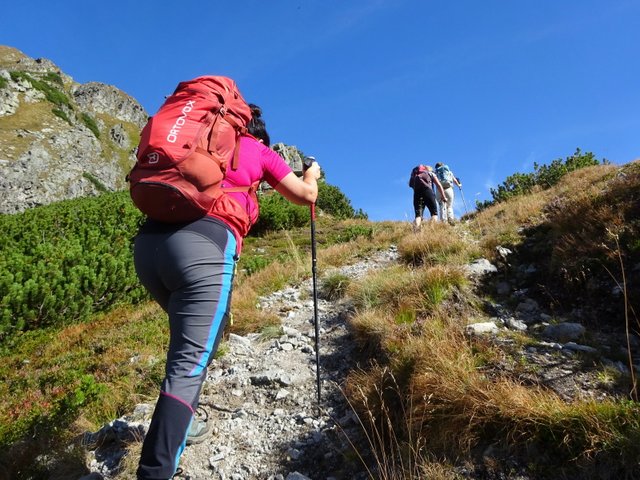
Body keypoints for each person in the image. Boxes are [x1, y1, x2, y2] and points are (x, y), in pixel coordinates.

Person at [133, 104, 321, 480]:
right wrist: (311, 174)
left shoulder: (193, 144)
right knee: (188, 363)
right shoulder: (256, 148)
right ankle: (155, 472)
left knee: (190, 346)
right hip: (204, 248)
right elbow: (305, 196)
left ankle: (183, 423)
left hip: (148, 247)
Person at [408, 164, 446, 231]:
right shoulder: (430, 173)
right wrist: (443, 196)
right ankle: (431, 231)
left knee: (418, 215)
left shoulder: (416, 175)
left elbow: (410, 184)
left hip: (417, 193)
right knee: (434, 213)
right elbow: (439, 185)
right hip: (428, 191)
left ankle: (416, 232)